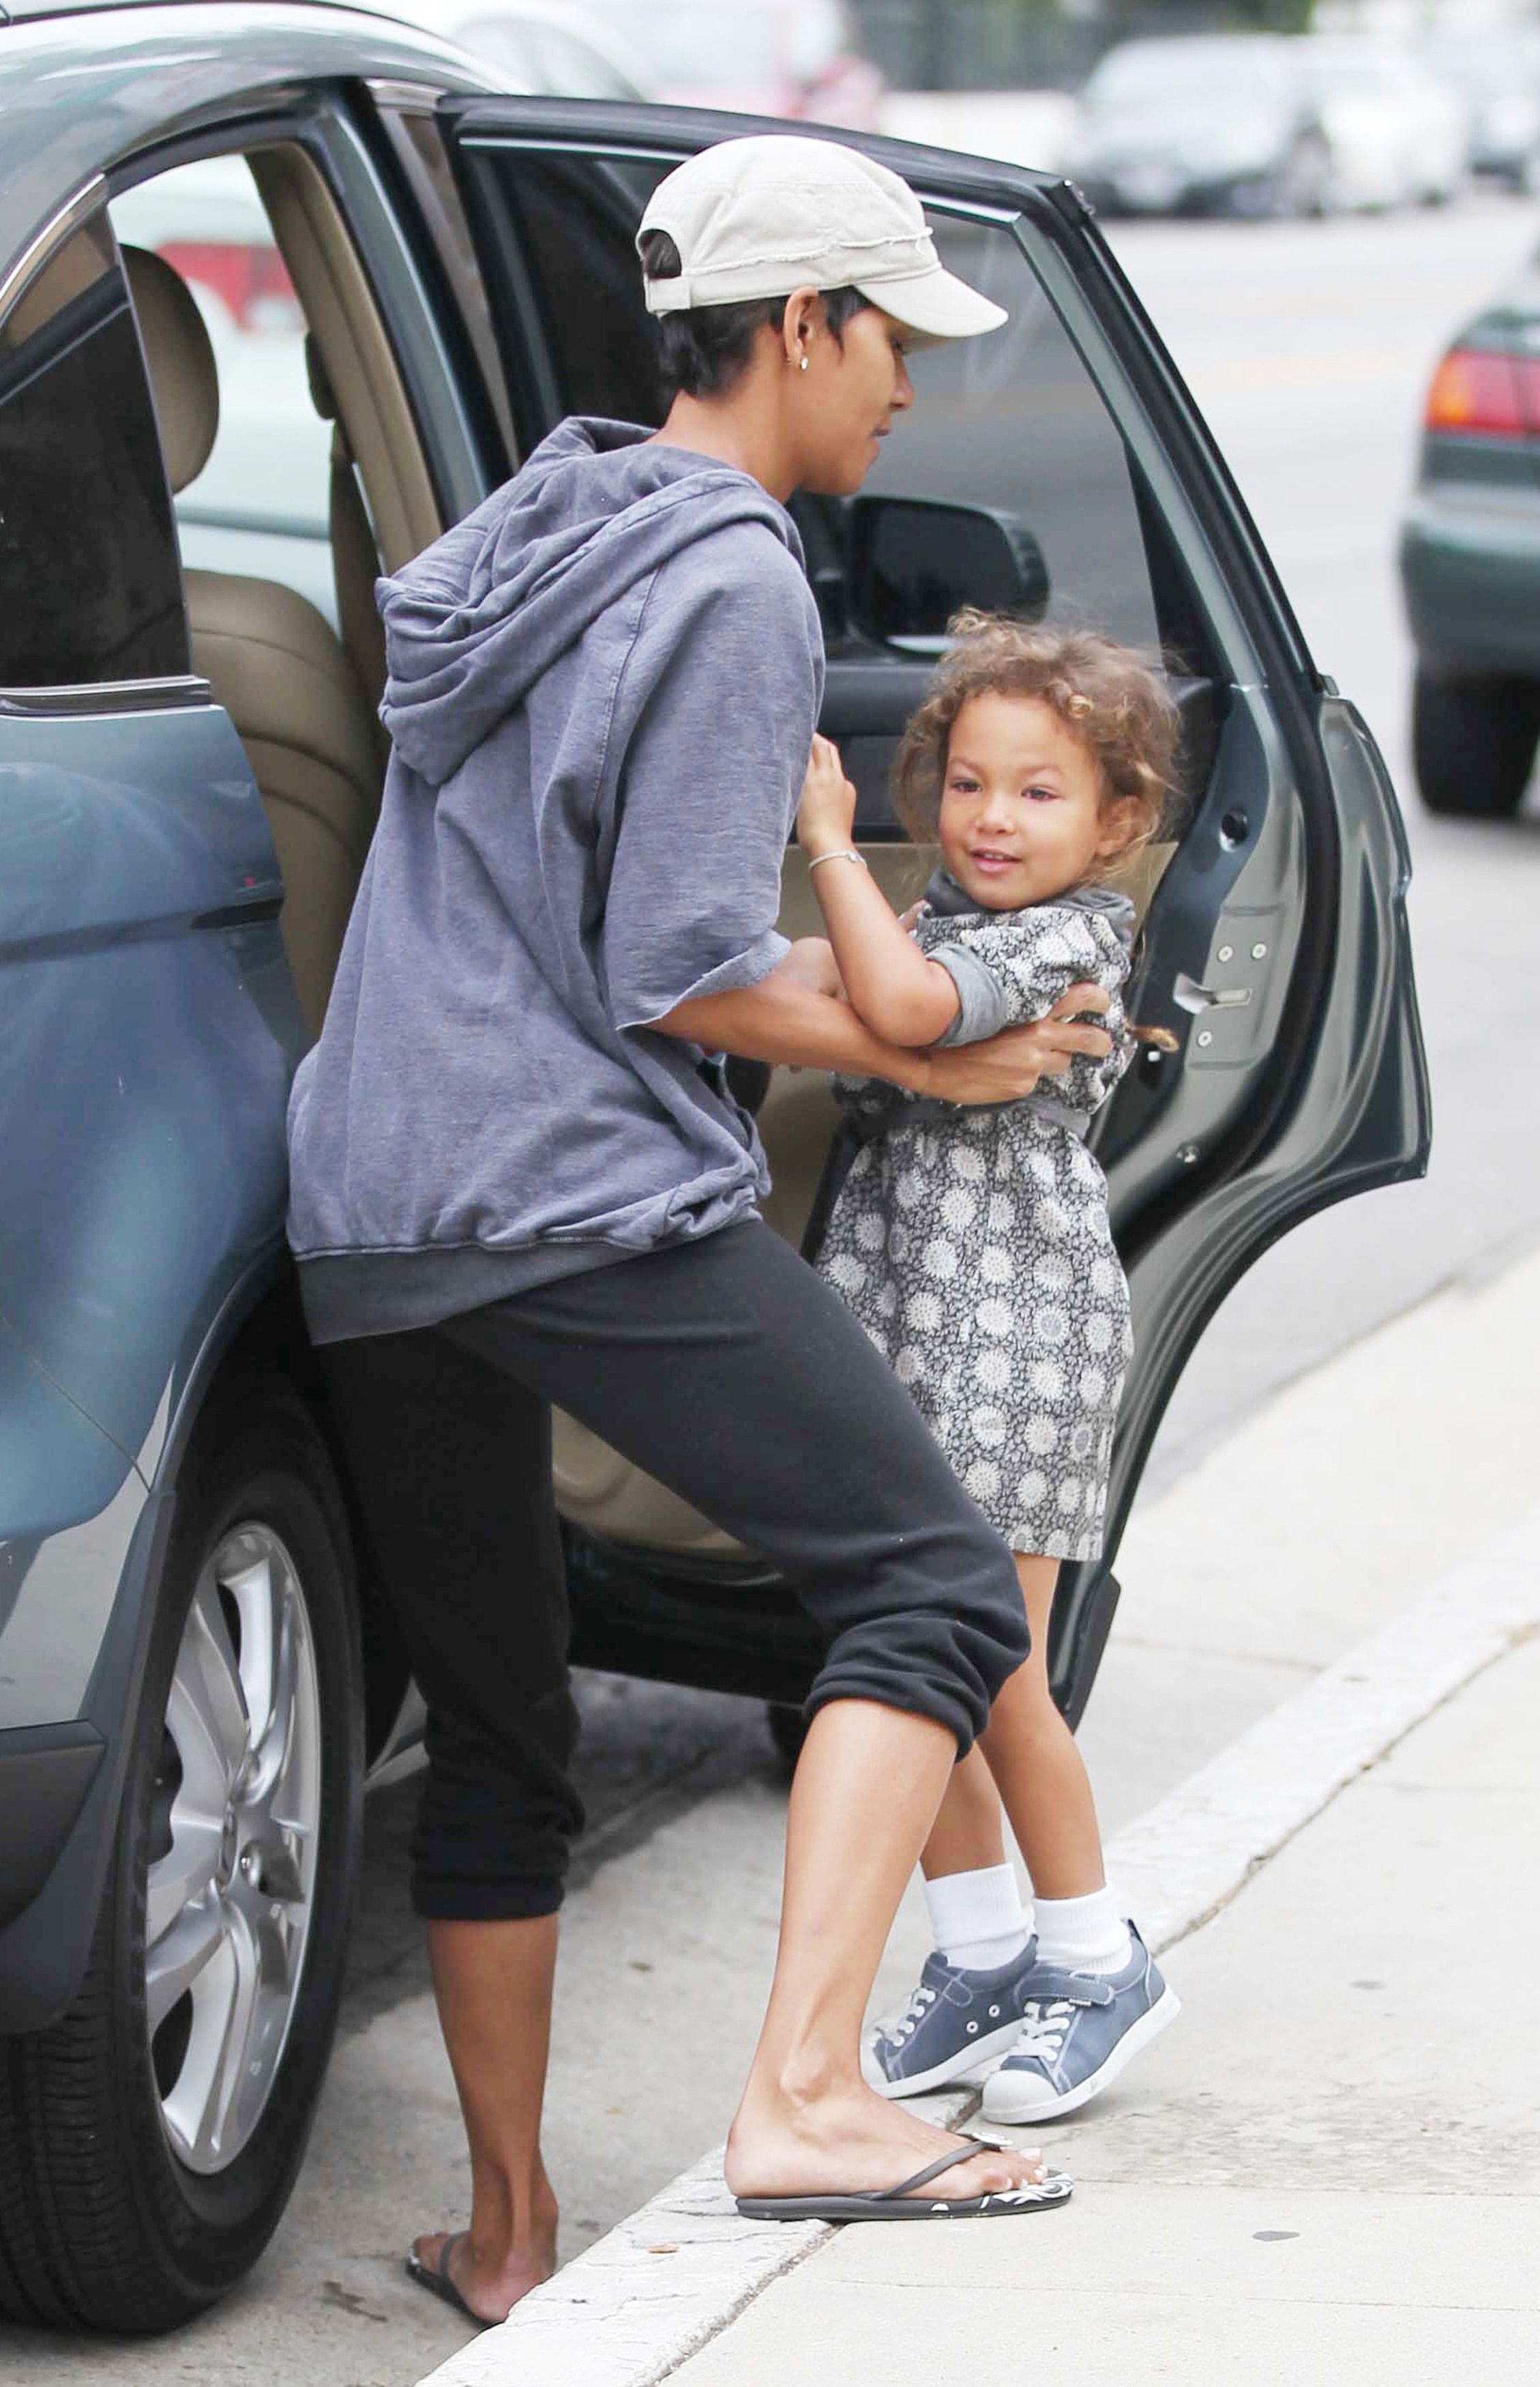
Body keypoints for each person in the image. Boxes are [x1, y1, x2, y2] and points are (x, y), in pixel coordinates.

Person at [286, 136, 1116, 2326]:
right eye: (891, 338)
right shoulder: (737, 574)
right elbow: (673, 966)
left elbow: (565, 908)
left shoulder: (543, 525)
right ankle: (810, 2096)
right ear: (802, 324)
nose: (908, 390)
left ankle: (504, 2230)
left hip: (376, 1190)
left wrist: (880, 1016)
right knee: (935, 1584)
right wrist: (939, 1057)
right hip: (561, 1181)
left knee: (498, 1722)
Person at [799, 613, 1183, 2127]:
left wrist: (829, 843)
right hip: (903, 1321)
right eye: (966, 783)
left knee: (995, 1667)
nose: (991, 818)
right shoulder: (946, 915)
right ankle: (981, 1957)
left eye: (1036, 791)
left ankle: (1094, 1958)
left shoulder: (1068, 937)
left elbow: (898, 1012)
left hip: (1020, 1335)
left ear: (1118, 823)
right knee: (904, 1650)